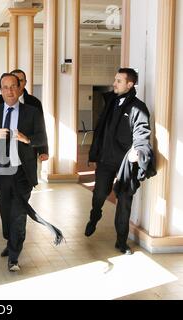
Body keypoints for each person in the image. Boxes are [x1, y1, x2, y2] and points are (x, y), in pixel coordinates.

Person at [0, 73, 53, 272]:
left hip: (23, 172)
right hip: (0, 172)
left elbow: (42, 138)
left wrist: (26, 139)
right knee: (6, 212)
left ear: (20, 88)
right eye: (5, 87)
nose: (10, 91)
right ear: (1, 90)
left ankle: (14, 255)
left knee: (19, 214)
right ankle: (9, 239)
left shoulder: (32, 112)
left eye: (13, 86)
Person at [84, 68, 155, 255]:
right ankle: (95, 215)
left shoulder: (138, 108)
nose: (114, 84)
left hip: (126, 162)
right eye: (115, 80)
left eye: (118, 81)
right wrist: (94, 154)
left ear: (130, 84)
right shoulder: (110, 102)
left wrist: (138, 151)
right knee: (99, 194)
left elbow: (142, 132)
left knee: (124, 201)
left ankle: (121, 241)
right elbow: (100, 131)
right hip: (105, 159)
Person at [0, 69, 49, 161]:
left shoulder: (34, 102)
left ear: (25, 83)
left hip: (27, 153)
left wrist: (43, 150)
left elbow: (40, 128)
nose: (17, 82)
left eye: (20, 80)